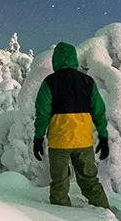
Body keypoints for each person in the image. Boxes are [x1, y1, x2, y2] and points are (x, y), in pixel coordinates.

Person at [32, 42, 111, 209]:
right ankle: (105, 211)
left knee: (59, 184)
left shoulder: (50, 82)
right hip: (83, 142)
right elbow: (99, 111)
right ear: (74, 58)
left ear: (56, 60)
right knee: (90, 181)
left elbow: (42, 113)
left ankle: (61, 216)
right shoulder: (87, 81)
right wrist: (103, 137)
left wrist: (38, 138)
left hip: (59, 142)